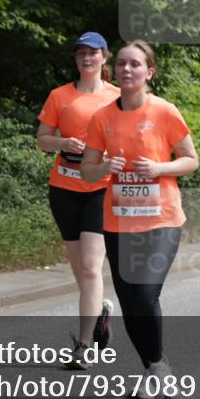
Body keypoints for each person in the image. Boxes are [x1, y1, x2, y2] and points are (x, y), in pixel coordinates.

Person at [81, 40, 199, 399]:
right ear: (113, 70)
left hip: (162, 220)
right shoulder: (102, 117)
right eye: (121, 64)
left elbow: (191, 160)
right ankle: (154, 366)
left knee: (146, 294)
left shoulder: (164, 111)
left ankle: (159, 370)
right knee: (130, 301)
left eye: (135, 64)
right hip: (118, 223)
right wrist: (104, 168)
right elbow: (86, 172)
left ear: (150, 72)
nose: (126, 70)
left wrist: (160, 168)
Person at [36, 32, 120, 369]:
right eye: (81, 54)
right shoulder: (60, 96)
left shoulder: (117, 97)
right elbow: (42, 140)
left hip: (102, 189)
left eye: (93, 53)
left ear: (104, 58)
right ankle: (99, 309)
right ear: (76, 59)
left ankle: (84, 346)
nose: (87, 59)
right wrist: (62, 143)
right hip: (64, 189)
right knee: (81, 270)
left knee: (89, 267)